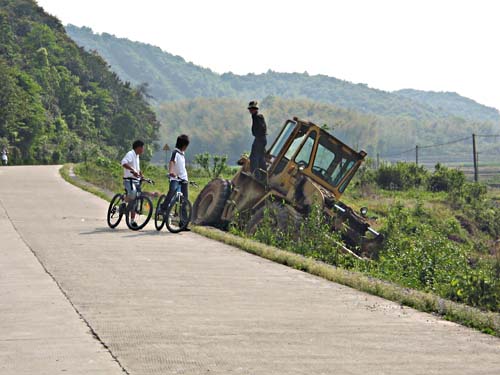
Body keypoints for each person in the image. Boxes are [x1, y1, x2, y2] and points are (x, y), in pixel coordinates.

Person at [161, 134, 191, 231]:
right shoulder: (175, 152)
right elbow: (172, 162)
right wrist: (171, 172)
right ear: (183, 145)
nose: (186, 147)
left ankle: (183, 224)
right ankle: (163, 207)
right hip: (175, 178)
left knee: (184, 201)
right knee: (172, 190)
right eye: (186, 145)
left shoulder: (183, 154)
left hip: (183, 179)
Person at [121, 140, 145, 229]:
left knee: (135, 201)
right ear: (138, 147)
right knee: (133, 194)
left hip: (136, 181)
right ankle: (123, 201)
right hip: (128, 180)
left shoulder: (137, 156)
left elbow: (137, 169)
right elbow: (123, 163)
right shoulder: (130, 154)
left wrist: (141, 176)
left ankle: (132, 221)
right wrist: (132, 170)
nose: (143, 149)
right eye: (143, 147)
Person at [248, 100, 267, 173]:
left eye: (252, 109)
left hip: (260, 139)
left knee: (254, 157)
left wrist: (258, 136)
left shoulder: (258, 117)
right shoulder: (255, 117)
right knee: (260, 158)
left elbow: (262, 128)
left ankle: (255, 175)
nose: (251, 110)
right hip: (260, 139)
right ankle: (263, 175)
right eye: (250, 109)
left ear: (255, 109)